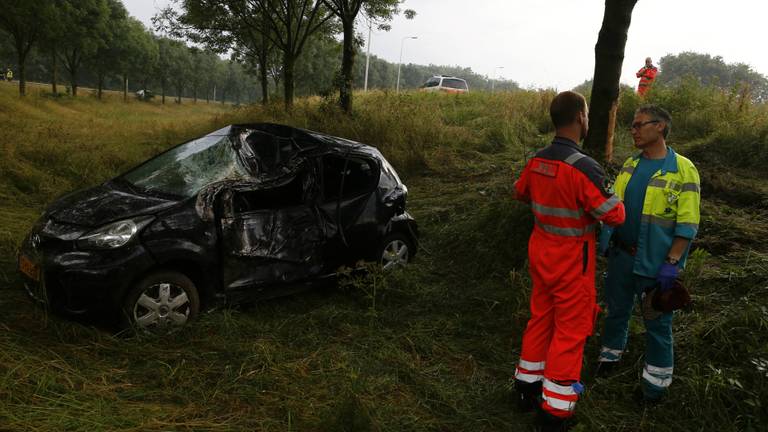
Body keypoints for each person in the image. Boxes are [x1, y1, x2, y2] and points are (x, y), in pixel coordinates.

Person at [512, 91, 626, 431]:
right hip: (572, 260)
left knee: (540, 319)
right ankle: (556, 411)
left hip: (541, 252)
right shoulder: (584, 167)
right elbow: (615, 214)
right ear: (580, 118)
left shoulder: (537, 160)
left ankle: (526, 389)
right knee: (571, 330)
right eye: (588, 114)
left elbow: (521, 192)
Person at [596, 105, 701, 403]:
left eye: (640, 124)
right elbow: (613, 207)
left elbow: (688, 222)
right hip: (621, 257)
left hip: (656, 265)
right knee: (616, 311)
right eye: (633, 125)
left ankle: (655, 386)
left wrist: (671, 264)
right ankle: (610, 357)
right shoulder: (630, 164)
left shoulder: (683, 169)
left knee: (657, 324)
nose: (634, 129)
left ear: (661, 127)